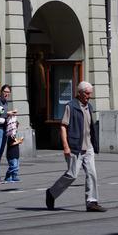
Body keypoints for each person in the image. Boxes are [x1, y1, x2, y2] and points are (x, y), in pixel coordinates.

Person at [46, 80, 104, 212]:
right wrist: (66, 146)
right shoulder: (70, 106)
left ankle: (92, 202)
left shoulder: (89, 107)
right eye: (88, 94)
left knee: (92, 173)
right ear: (80, 93)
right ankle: (51, 193)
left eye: (90, 94)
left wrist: (94, 144)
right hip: (75, 147)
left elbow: (90, 127)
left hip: (88, 147)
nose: (89, 96)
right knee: (72, 175)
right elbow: (63, 126)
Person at [3, 108, 23, 183]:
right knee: (13, 166)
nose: (16, 128)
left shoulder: (14, 134)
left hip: (15, 153)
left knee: (16, 166)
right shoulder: (10, 134)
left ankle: (14, 176)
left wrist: (19, 141)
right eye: (16, 126)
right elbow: (11, 143)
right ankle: (8, 176)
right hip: (11, 153)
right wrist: (18, 142)